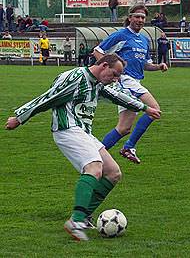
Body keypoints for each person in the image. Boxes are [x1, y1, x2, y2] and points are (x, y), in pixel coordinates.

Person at [5, 53, 161, 241]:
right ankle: (76, 221)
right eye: (114, 74)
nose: (116, 79)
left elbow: (117, 96)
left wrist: (145, 108)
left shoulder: (97, 83)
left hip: (83, 132)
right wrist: (20, 118)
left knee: (113, 173)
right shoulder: (76, 77)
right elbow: (48, 98)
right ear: (103, 65)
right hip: (67, 129)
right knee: (94, 167)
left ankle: (83, 216)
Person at [94, 4, 168, 164]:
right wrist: (107, 69)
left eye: (142, 17)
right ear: (130, 17)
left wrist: (158, 66)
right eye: (137, 16)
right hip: (125, 81)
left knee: (123, 128)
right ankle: (129, 147)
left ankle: (94, 155)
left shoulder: (144, 40)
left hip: (135, 81)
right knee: (154, 109)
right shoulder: (121, 35)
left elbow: (146, 65)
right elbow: (98, 50)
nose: (140, 20)